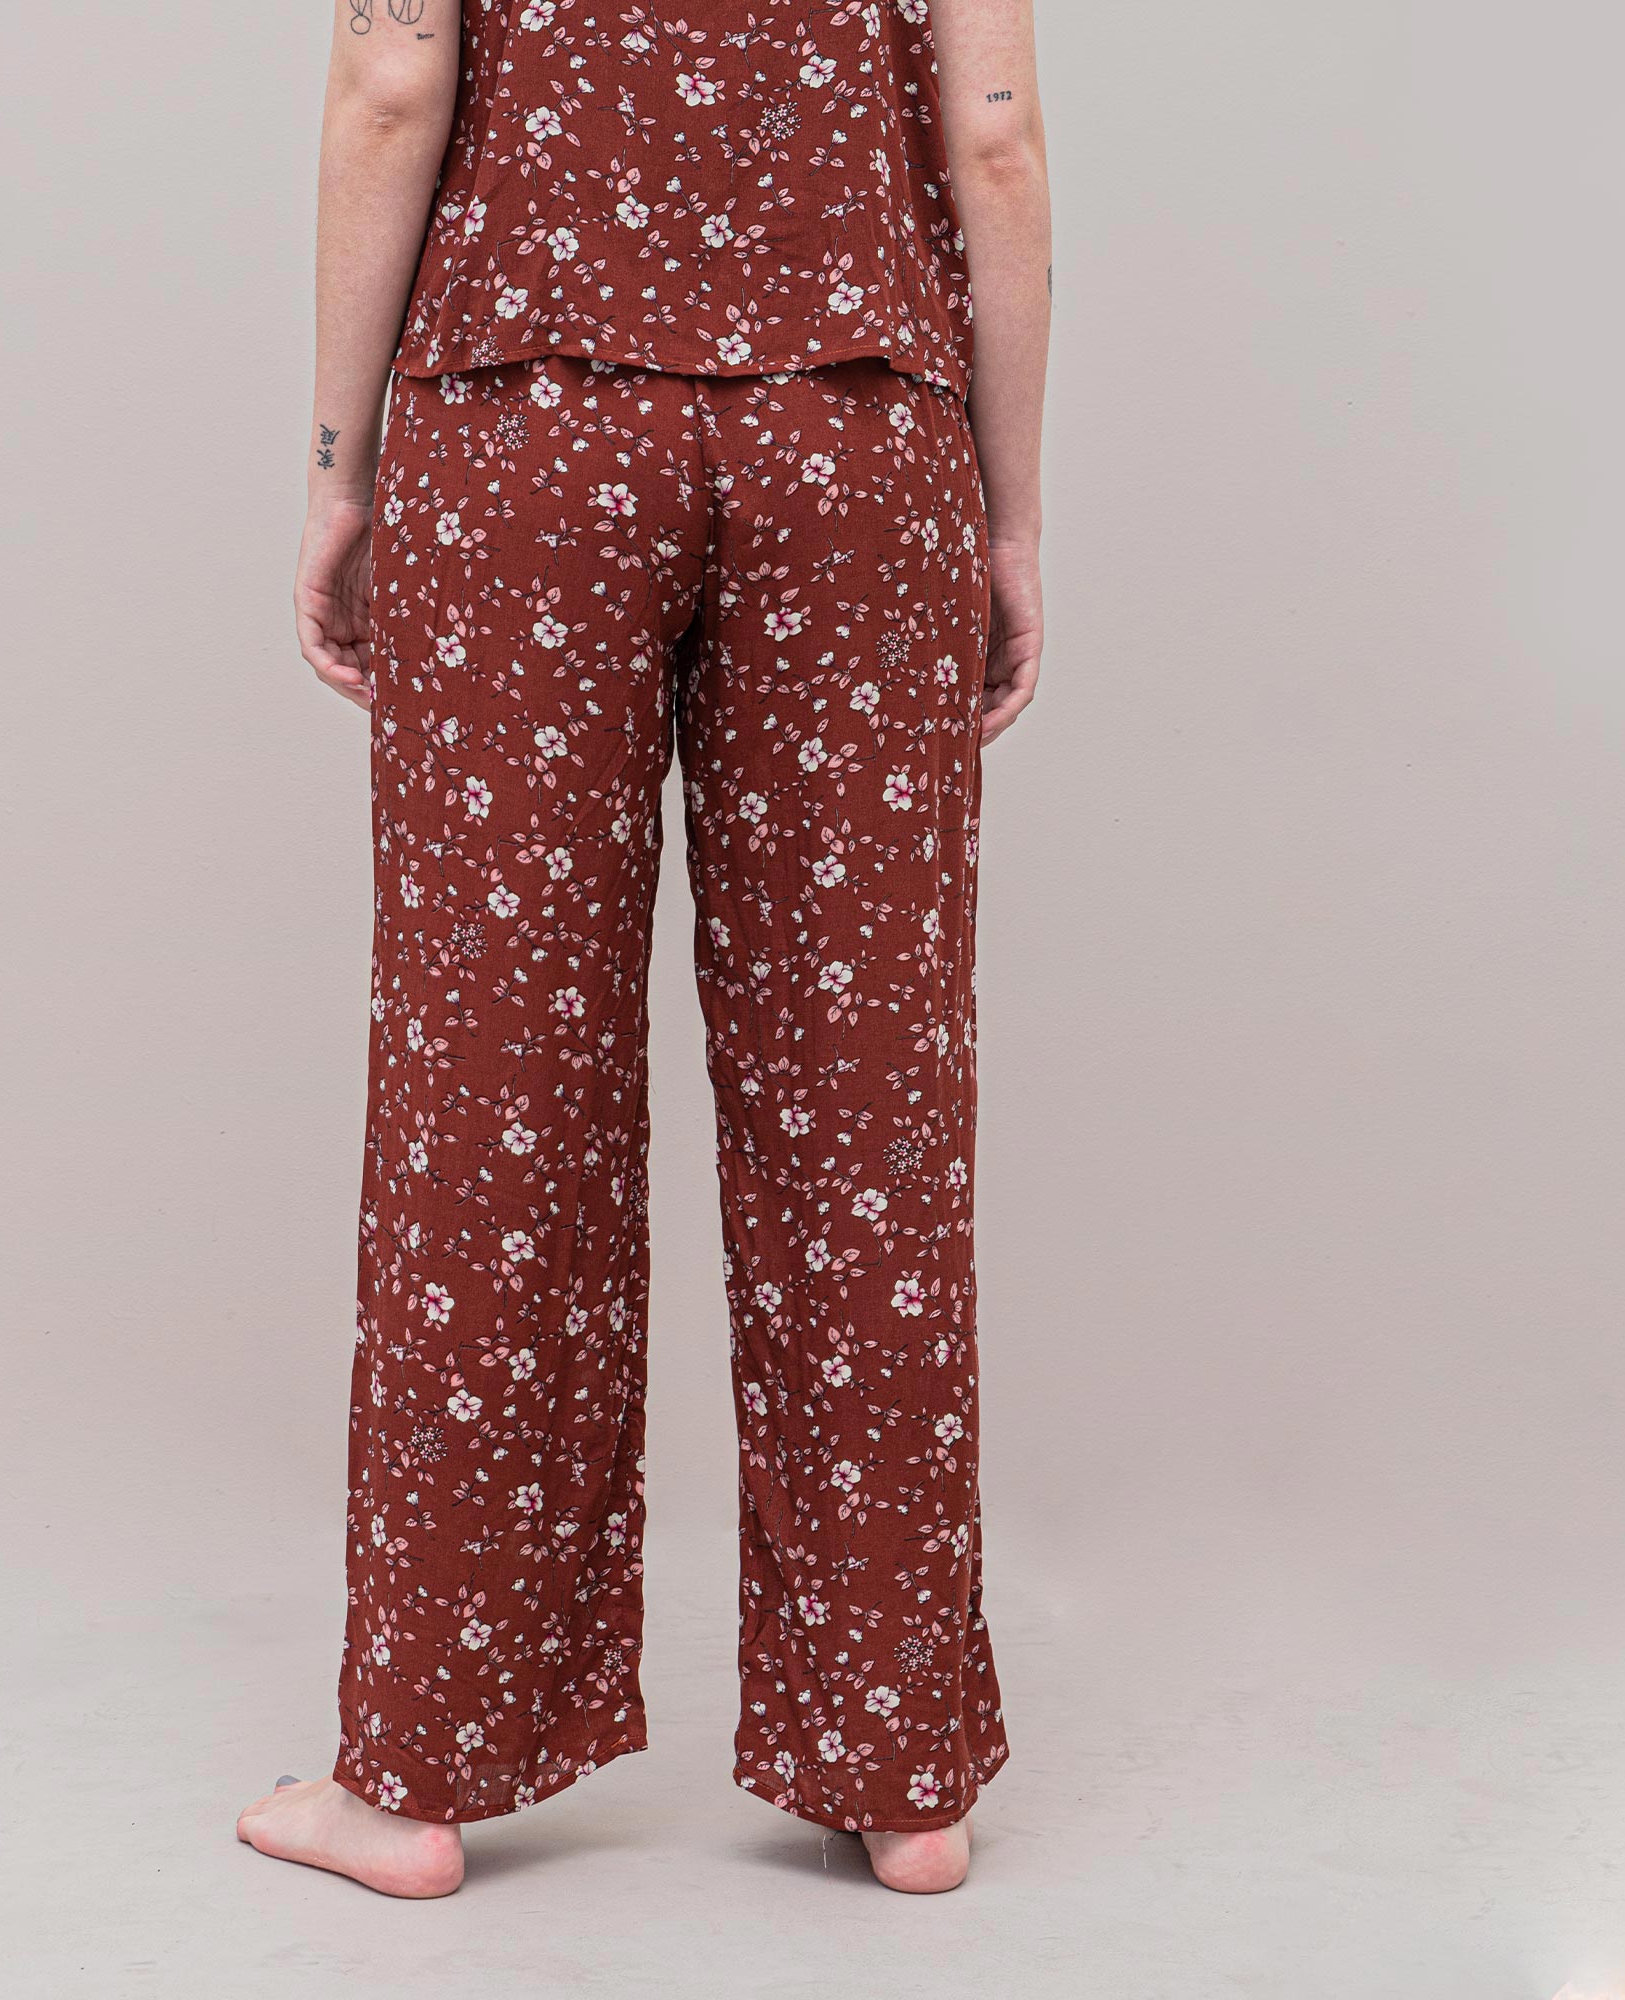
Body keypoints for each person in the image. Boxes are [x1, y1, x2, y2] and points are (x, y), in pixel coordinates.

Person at [237, 0, 1050, 1900]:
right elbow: (996, 139)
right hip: (862, 441)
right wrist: (1007, 512)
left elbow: (390, 85)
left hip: (524, 433)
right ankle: (904, 1773)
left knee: (491, 1099)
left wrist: (342, 470)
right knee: (867, 1119)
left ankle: (418, 1774)